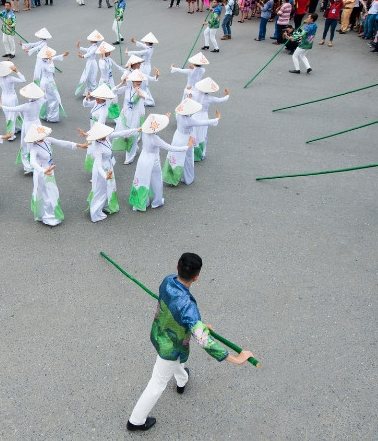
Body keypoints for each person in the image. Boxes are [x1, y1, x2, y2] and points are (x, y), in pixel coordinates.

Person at [127, 252, 253, 431]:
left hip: (159, 334)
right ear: (197, 277)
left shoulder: (167, 280)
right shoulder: (188, 306)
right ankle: (136, 421)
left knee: (177, 364)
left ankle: (181, 381)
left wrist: (197, 325)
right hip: (171, 348)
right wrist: (236, 359)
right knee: (157, 383)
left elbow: (177, 312)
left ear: (177, 267)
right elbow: (205, 342)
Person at [25, 124, 88, 226]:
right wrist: (42, 171)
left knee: (52, 193)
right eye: (39, 137)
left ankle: (47, 214)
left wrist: (79, 145)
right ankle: (49, 217)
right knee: (47, 194)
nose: (41, 138)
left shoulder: (47, 140)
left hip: (50, 170)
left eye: (42, 136)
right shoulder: (34, 148)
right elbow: (32, 162)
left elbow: (62, 143)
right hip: (42, 173)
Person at [77, 121, 138, 222]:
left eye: (104, 135)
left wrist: (136, 130)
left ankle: (105, 206)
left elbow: (121, 133)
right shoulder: (97, 147)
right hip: (102, 171)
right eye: (101, 136)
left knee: (108, 189)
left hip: (108, 168)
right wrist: (105, 176)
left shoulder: (106, 138)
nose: (104, 137)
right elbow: (98, 165)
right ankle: (95, 213)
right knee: (100, 191)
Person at [129, 112, 190, 212]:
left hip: (143, 159)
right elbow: (170, 147)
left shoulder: (144, 132)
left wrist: (165, 118)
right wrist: (187, 146)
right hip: (153, 161)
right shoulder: (155, 138)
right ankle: (157, 201)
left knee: (141, 180)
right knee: (156, 180)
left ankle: (140, 203)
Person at [163, 99, 220, 186]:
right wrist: (217, 118)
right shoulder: (188, 120)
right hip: (186, 139)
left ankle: (172, 178)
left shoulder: (178, 115)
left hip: (177, 137)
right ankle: (187, 178)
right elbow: (204, 122)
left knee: (175, 157)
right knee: (188, 158)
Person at [0, 82, 46, 174]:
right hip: (37, 123)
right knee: (38, 142)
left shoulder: (26, 106)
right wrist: (40, 91)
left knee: (27, 144)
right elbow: (43, 92)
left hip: (28, 125)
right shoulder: (41, 101)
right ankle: (39, 161)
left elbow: (12, 109)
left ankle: (29, 166)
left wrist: (1, 105)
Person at [0, 60, 27, 140]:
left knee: (10, 115)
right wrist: (17, 71)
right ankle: (10, 135)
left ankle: (18, 127)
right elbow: (23, 80)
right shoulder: (10, 78)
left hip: (4, 97)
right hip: (11, 98)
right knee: (13, 114)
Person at [76, 30, 103, 95]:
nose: (89, 40)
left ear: (93, 40)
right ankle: (88, 91)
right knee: (88, 77)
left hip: (92, 63)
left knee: (92, 78)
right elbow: (87, 50)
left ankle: (95, 91)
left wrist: (83, 56)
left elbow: (90, 53)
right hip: (89, 63)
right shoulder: (92, 46)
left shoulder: (95, 47)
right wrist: (80, 47)